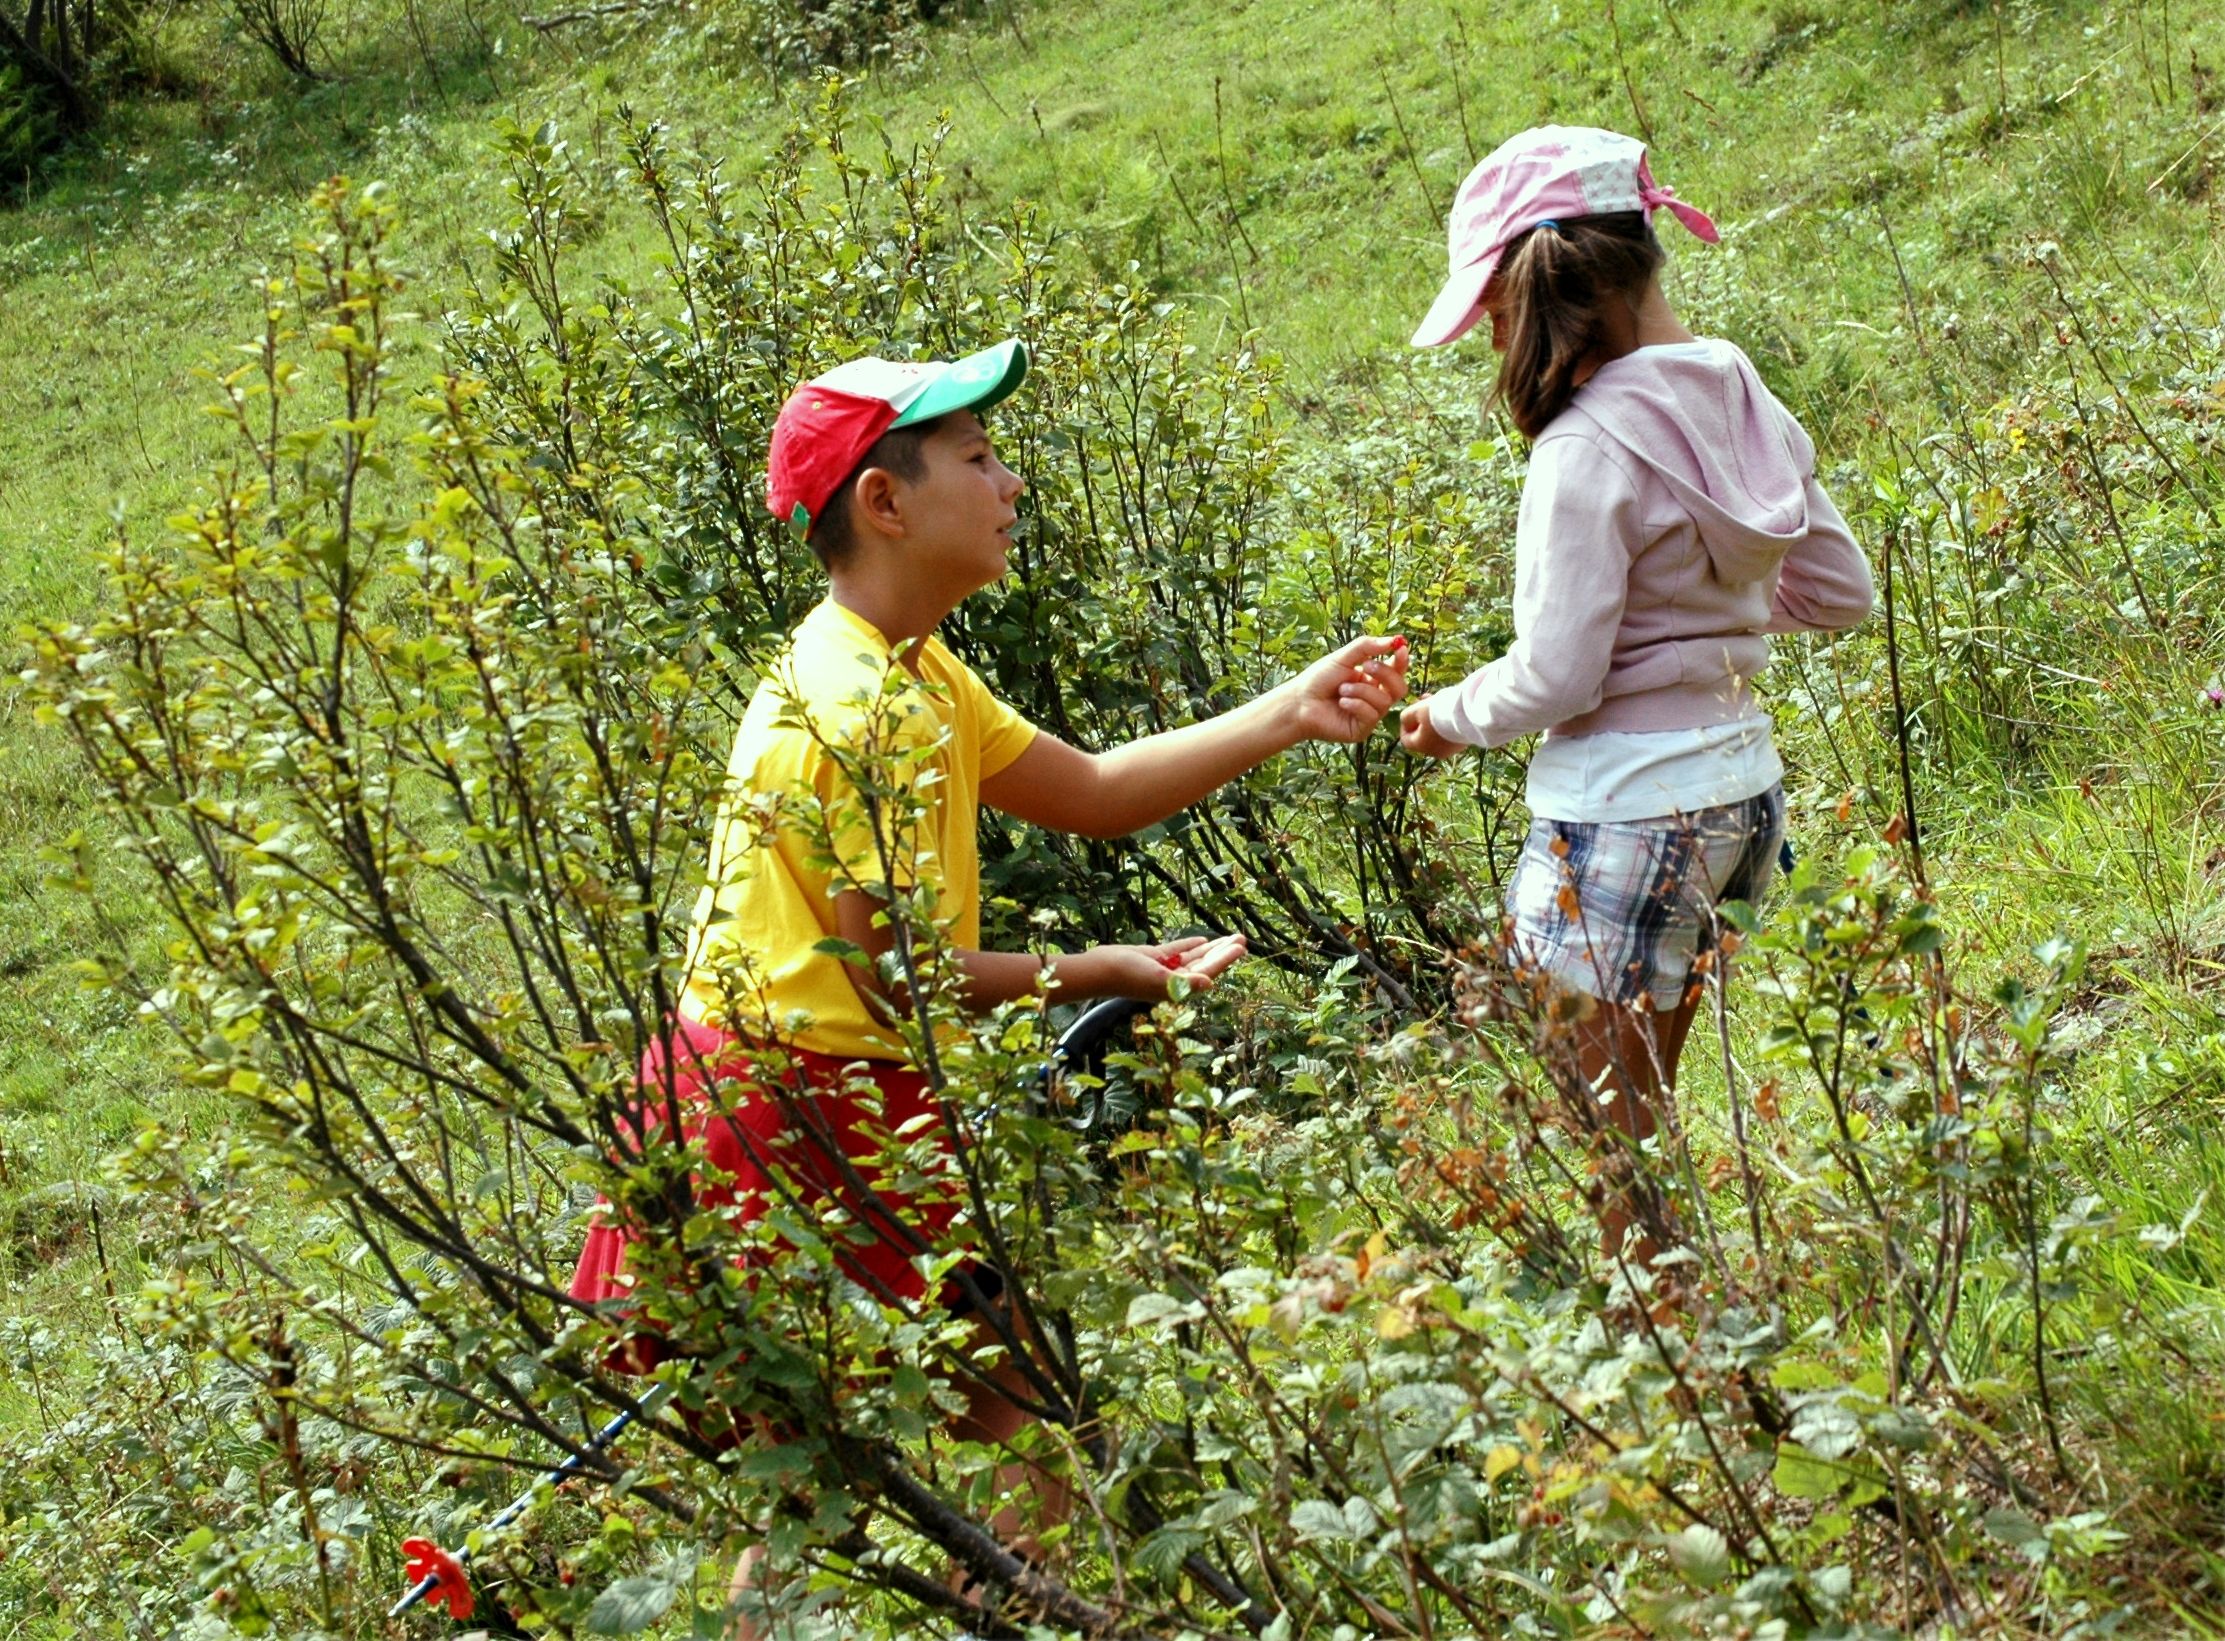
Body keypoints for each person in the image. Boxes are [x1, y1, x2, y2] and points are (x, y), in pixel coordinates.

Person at [569, 337, 1409, 1634]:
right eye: (977, 457)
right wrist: (1101, 968)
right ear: (884, 502)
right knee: (994, 1422)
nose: (1009, 482)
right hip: (793, 1108)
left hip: (767, 1091)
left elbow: (1094, 791)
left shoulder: (901, 666)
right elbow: (894, 972)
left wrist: (1286, 711)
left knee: (843, 1469)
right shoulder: (865, 707)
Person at [1397, 126, 1874, 1262]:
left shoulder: (1582, 447)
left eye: (1494, 317)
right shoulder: (1734, 387)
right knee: (1641, 1101)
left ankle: (1664, 1355)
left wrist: (1446, 717)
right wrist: (1713, 612)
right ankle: (1687, 1320)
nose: (1495, 342)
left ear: (1533, 288)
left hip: (1622, 804)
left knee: (1605, 1126)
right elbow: (1840, 591)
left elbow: (1556, 674)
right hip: (1738, 802)